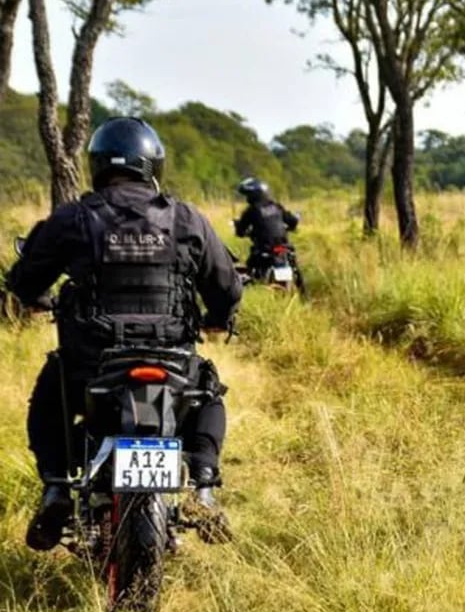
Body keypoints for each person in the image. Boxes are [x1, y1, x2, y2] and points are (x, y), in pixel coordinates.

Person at [7, 117, 243, 551]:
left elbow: (23, 283)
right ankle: (203, 490)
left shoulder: (74, 217)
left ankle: (57, 488)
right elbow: (227, 287)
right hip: (171, 360)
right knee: (208, 391)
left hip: (91, 363)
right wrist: (219, 316)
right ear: (153, 164)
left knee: (49, 392)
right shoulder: (186, 218)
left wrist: (36, 295)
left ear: (97, 165)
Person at [233, 177, 300, 278]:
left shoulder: (251, 211)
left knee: (250, 269)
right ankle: (303, 291)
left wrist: (238, 227)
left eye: (248, 195)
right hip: (283, 245)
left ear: (254, 195)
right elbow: (293, 220)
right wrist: (291, 226)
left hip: (264, 248)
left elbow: (241, 231)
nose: (247, 198)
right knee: (295, 267)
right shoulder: (276, 206)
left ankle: (254, 284)